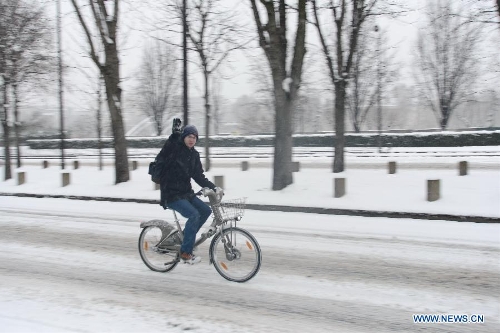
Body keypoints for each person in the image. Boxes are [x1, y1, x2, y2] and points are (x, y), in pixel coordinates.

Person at [157, 119, 220, 265]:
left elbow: (198, 176)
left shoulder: (194, 155)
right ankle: (185, 253)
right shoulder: (175, 149)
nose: (191, 140)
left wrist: (213, 187)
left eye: (194, 137)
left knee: (205, 211)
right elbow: (167, 149)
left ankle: (186, 239)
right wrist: (174, 136)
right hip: (171, 194)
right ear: (183, 137)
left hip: (186, 193)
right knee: (194, 215)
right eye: (188, 136)